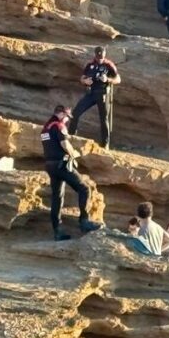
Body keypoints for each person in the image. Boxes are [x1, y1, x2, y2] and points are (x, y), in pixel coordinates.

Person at [41, 105, 103, 241]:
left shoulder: (46, 127)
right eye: (67, 117)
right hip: (61, 164)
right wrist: (73, 153)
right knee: (84, 188)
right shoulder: (58, 126)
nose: (68, 121)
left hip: (50, 165)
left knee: (57, 197)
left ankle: (57, 231)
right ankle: (84, 221)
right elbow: (64, 144)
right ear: (62, 114)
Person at [69, 46, 120, 149]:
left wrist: (107, 80)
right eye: (98, 57)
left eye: (101, 57)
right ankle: (71, 136)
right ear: (95, 55)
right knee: (75, 113)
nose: (100, 59)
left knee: (104, 119)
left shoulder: (108, 65)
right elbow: (82, 78)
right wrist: (85, 81)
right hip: (91, 93)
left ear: (104, 55)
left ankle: (105, 144)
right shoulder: (90, 64)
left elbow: (118, 79)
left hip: (103, 94)